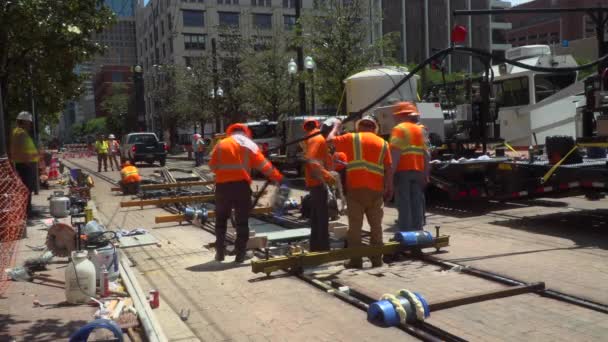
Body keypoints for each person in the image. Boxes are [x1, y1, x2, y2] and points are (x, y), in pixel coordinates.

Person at [209, 123, 283, 262]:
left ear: (230, 132)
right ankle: (240, 255)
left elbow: (212, 166)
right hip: (241, 187)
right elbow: (264, 166)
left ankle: (220, 252)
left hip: (222, 188)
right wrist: (278, 177)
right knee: (242, 222)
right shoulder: (250, 145)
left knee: (221, 220)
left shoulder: (221, 144)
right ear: (245, 132)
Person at [327, 116, 393, 268]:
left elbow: (329, 141)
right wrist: (390, 187)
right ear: (374, 128)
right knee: (376, 226)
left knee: (355, 227)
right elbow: (388, 168)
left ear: (359, 127)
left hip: (356, 189)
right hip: (376, 190)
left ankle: (356, 261)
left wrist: (336, 127)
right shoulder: (383, 143)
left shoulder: (352, 138)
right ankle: (377, 260)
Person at [389, 102, 429, 231]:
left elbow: (395, 154)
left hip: (403, 171)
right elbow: (426, 154)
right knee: (417, 203)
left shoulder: (399, 129)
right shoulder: (419, 129)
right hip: (418, 170)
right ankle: (418, 233)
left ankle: (406, 236)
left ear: (400, 115)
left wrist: (390, 176)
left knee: (404, 204)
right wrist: (426, 174)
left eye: (395, 115)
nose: (394, 118)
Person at [302, 118, 335, 252]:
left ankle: (316, 247)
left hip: (315, 181)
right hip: (318, 181)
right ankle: (323, 248)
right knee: (321, 217)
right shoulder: (317, 139)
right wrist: (328, 177)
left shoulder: (313, 138)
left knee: (316, 217)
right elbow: (313, 161)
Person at [9, 111, 39, 218]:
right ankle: (27, 212)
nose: (30, 125)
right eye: (29, 122)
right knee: (26, 190)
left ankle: (28, 210)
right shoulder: (20, 133)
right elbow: (21, 149)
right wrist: (28, 162)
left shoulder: (18, 132)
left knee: (26, 190)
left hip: (24, 164)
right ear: (24, 122)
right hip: (25, 165)